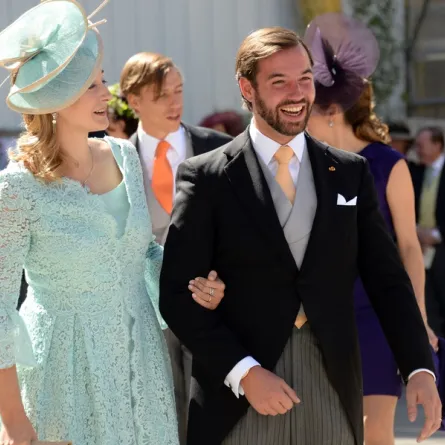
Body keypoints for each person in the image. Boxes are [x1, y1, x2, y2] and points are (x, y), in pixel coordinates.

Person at [159, 25, 442, 445]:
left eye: (305, 79)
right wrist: (245, 373)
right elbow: (177, 296)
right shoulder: (207, 177)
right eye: (279, 82)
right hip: (239, 396)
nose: (297, 93)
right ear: (247, 87)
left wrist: (420, 367)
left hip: (332, 384)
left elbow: (388, 281)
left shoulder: (350, 173)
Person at [0, 2, 224, 444]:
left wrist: (194, 284)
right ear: (54, 100)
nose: (107, 93)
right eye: (91, 86)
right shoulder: (16, 190)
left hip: (141, 362)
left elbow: (143, 253)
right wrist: (15, 423)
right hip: (64, 375)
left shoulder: (123, 155)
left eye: (103, 81)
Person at [303, 13, 438, 445]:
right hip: (315, 315)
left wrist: (416, 319)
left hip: (378, 314)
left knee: (375, 431)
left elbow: (409, 250)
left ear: (330, 108)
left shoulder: (387, 164)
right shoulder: (299, 162)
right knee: (325, 430)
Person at [120, 51, 232, 444]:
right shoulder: (116, 161)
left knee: (214, 412)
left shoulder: (222, 150)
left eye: (179, 91)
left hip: (214, 304)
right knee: (161, 412)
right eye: (162, 95)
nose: (175, 102)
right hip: (146, 309)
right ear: (134, 101)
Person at [410, 127, 445, 337]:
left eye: (422, 146)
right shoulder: (417, 171)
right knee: (427, 304)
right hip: (420, 250)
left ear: (437, 145)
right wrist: (415, 232)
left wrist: (437, 235)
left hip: (441, 249)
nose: (418, 150)